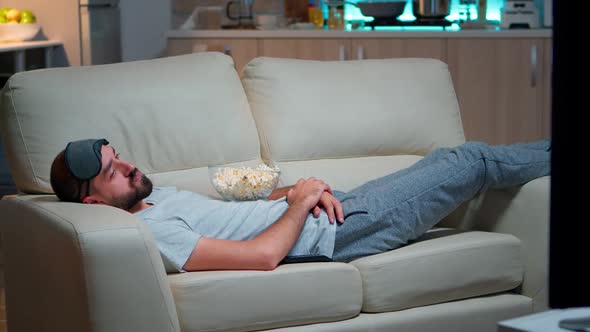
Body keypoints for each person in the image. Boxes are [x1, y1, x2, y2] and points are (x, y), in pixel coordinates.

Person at [49, 138, 551, 272]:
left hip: (327, 207)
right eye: (114, 172)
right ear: (93, 199)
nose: (130, 168)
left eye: (121, 158)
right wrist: (302, 204)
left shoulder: (154, 198)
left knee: (446, 157)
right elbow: (262, 257)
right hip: (337, 230)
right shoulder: (151, 235)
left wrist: (292, 192)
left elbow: (234, 218)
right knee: (469, 163)